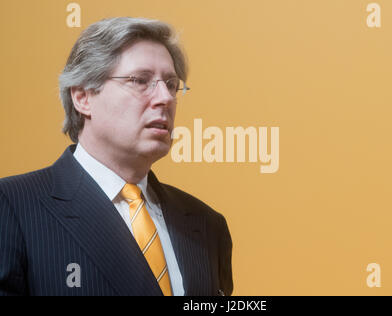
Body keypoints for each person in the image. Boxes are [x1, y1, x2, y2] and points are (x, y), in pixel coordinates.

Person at [0, 17, 233, 296]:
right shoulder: (13, 206)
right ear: (83, 96)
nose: (165, 98)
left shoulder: (206, 223)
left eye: (171, 84)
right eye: (140, 80)